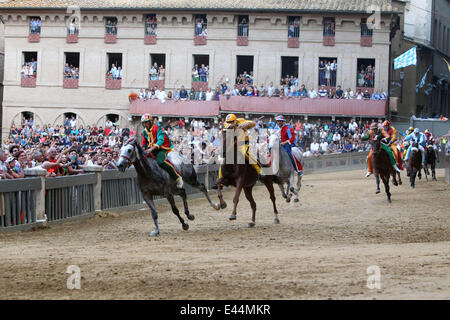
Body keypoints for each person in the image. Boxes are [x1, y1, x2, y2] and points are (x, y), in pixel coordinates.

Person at [140, 113, 183, 188]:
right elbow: (144, 142)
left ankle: (177, 178)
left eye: (146, 122)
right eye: (143, 123)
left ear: (150, 121)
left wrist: (151, 149)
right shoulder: (144, 132)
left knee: (160, 161)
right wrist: (142, 148)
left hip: (162, 148)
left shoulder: (158, 127)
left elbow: (160, 140)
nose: (144, 124)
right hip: (151, 149)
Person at [217, 114, 264, 180]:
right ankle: (220, 179)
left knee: (246, 154)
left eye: (231, 122)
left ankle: (260, 172)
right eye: (228, 122)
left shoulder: (241, 121)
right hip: (232, 145)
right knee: (223, 160)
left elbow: (253, 123)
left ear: (235, 120)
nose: (230, 123)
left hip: (243, 144)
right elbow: (220, 133)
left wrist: (245, 125)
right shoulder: (226, 125)